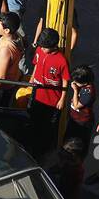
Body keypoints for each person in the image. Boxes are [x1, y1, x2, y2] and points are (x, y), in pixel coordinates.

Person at [28, 28, 69, 159]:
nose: (42, 49)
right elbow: (36, 64)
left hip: (52, 101)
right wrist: (31, 79)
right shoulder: (40, 50)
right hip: (37, 93)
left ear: (53, 46)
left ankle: (42, 151)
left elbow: (65, 80)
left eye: (45, 47)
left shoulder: (61, 60)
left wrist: (62, 99)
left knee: (47, 127)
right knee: (34, 120)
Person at [64, 66, 96, 150]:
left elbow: (76, 105)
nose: (74, 82)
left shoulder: (88, 92)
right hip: (74, 118)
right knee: (68, 140)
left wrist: (75, 90)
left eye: (76, 81)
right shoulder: (82, 87)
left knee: (79, 144)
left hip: (82, 122)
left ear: (85, 83)